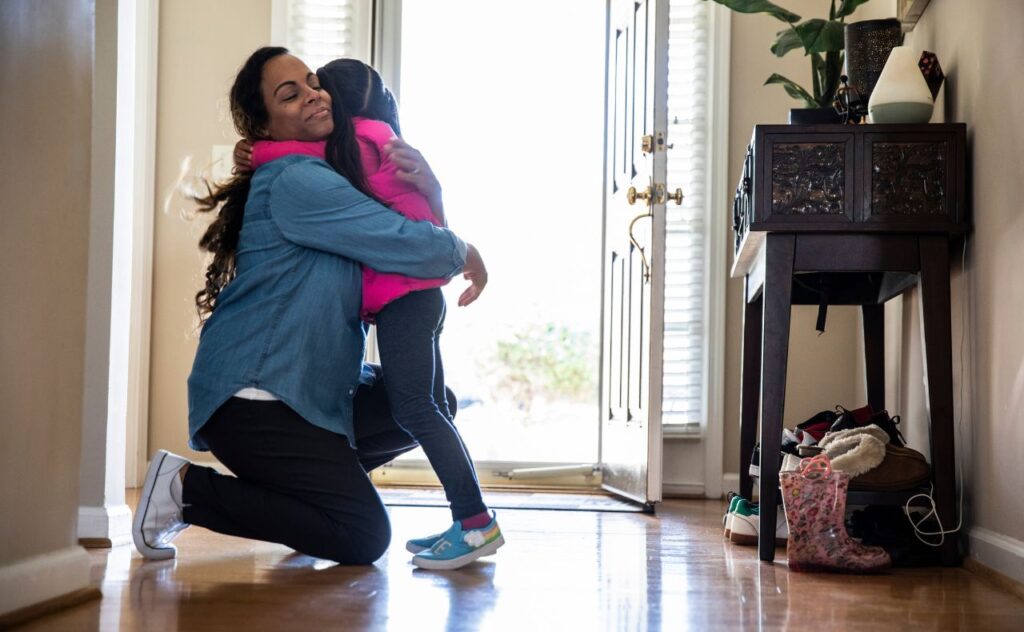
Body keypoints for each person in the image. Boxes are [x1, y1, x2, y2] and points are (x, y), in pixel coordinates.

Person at [131, 46, 499, 569]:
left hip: (305, 389)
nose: (312, 95)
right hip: (258, 397)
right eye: (290, 94)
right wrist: (465, 250)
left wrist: (432, 188)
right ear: (266, 125)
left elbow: (398, 211)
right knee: (363, 536)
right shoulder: (299, 180)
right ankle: (183, 489)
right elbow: (402, 239)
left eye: (312, 82)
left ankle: (312, 502)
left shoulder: (325, 170)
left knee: (429, 401)